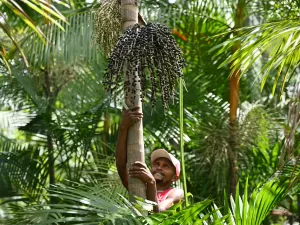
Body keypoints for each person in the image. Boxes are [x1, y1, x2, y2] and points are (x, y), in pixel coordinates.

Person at [116, 106, 184, 213]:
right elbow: (121, 166)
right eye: (157, 164)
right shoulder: (140, 186)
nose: (159, 168)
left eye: (166, 166)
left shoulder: (176, 193)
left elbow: (158, 213)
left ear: (175, 178)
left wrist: (151, 182)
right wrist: (123, 127)